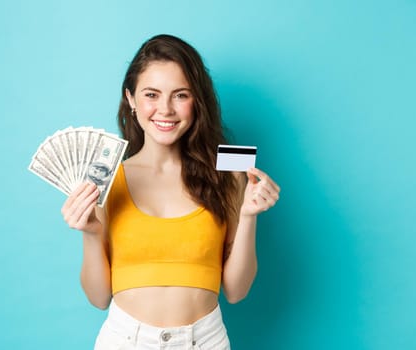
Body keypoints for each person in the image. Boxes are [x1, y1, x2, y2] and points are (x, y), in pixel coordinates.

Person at [61, 34, 280, 350]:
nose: (165, 109)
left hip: (205, 340)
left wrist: (248, 216)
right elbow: (98, 298)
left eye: (180, 95)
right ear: (131, 99)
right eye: (151, 94)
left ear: (197, 102)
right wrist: (91, 234)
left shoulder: (229, 176)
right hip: (125, 340)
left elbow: (236, 291)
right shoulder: (106, 179)